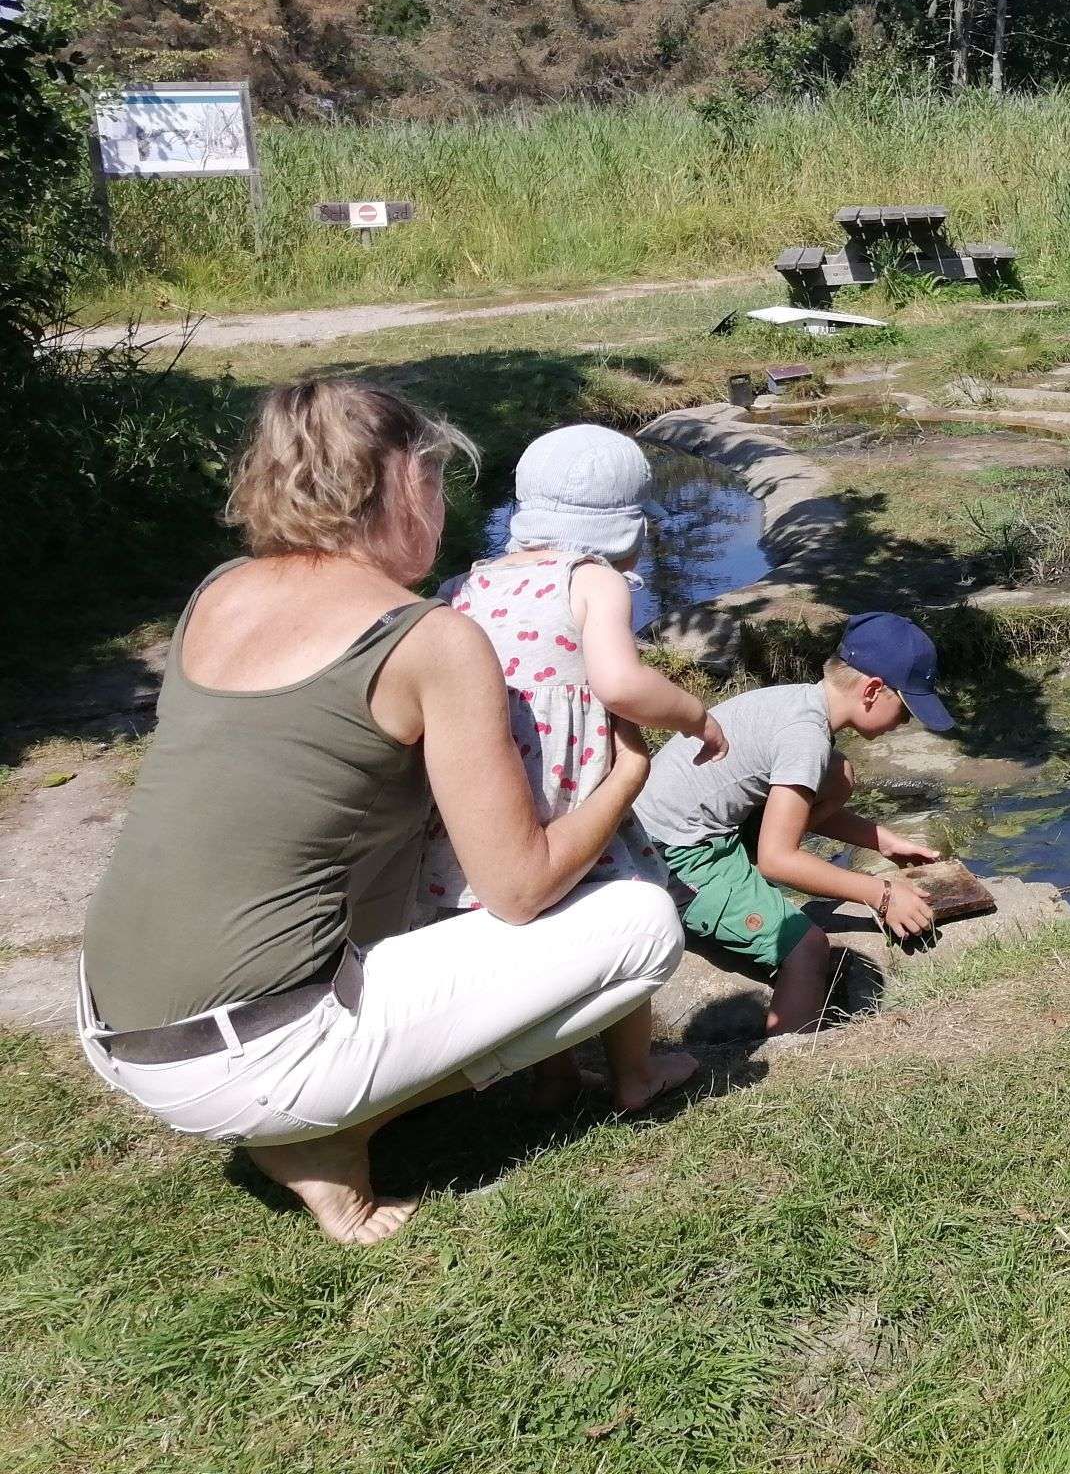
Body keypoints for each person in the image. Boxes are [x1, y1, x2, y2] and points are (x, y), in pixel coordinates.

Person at [77, 379, 685, 1246]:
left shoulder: (219, 590)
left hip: (114, 1025)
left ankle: (316, 1099)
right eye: (440, 484)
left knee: (374, 841)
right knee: (642, 922)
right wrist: (623, 778)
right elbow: (518, 889)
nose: (443, 510)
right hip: (245, 1061)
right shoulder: (426, 635)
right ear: (405, 483)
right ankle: (330, 1135)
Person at [416, 424, 730, 1112]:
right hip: (568, 794)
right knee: (620, 918)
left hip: (477, 800)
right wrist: (695, 715)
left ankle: (551, 1078)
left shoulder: (461, 585)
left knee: (538, 947)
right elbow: (620, 684)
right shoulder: (590, 580)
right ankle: (634, 1076)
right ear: (627, 524)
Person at [633, 614, 951, 1034]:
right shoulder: (805, 736)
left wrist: (881, 841)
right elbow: (777, 861)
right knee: (807, 949)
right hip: (675, 856)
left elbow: (799, 803)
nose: (907, 721)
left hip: (684, 828)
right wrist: (882, 894)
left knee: (839, 774)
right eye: (906, 707)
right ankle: (794, 1059)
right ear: (872, 690)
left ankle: (740, 888)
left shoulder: (800, 701)